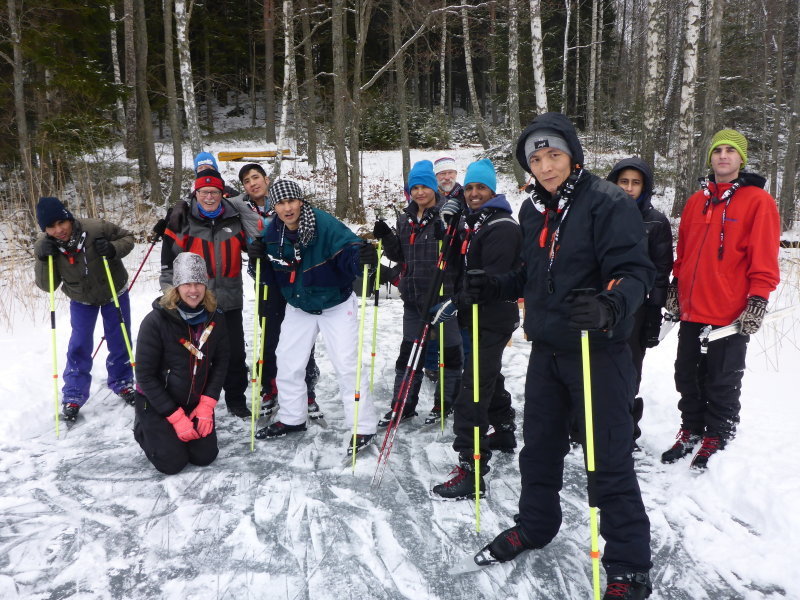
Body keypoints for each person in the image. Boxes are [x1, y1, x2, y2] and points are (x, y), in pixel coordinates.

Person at [471, 113, 655, 599]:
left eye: (553, 155)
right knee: (540, 448)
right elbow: (529, 277)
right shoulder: (535, 210)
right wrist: (492, 285)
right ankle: (535, 525)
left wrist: (609, 305)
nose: (546, 166)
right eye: (535, 158)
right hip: (549, 349)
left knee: (608, 457)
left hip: (599, 351)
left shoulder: (608, 202)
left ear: (573, 155)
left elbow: (636, 273)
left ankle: (629, 566)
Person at [661, 129, 780, 469]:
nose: (723, 156)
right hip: (693, 309)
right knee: (686, 375)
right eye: (718, 150)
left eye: (731, 151)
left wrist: (757, 299)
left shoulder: (759, 202)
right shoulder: (696, 201)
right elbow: (684, 252)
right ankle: (691, 428)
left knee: (722, 379)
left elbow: (764, 258)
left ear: (741, 159)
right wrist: (676, 284)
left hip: (730, 314)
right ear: (710, 157)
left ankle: (718, 433)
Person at [249, 179, 379, 454]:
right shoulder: (274, 234)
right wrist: (257, 259)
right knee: (287, 361)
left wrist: (361, 257)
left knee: (347, 365)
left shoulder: (324, 224)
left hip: (335, 303)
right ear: (274, 207)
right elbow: (270, 275)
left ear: (301, 201)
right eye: (281, 203)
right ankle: (293, 417)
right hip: (300, 305)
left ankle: (363, 426)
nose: (287, 208)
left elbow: (348, 251)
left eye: (291, 201)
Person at [429, 158, 522, 500]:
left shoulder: (502, 227)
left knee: (473, 390)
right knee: (488, 376)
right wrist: (448, 229)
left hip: (491, 317)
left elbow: (490, 283)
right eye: (468, 188)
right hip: (478, 317)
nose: (473, 193)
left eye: (480, 187)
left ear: (492, 190)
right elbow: (459, 266)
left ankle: (471, 468)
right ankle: (505, 429)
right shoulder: (474, 223)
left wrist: (457, 302)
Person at [372, 160, 464, 428]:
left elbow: (461, 253)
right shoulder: (405, 219)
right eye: (415, 188)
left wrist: (449, 234)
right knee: (409, 355)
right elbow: (400, 256)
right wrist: (387, 238)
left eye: (424, 186)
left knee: (449, 355)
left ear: (434, 187)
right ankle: (403, 407)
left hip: (443, 299)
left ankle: (444, 405)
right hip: (413, 300)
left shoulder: (449, 214)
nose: (420, 192)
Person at [33, 196, 136, 421]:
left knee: (119, 338)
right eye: (51, 226)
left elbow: (128, 237)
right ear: (45, 229)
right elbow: (47, 286)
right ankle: (74, 394)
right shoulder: (46, 246)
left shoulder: (96, 228)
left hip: (113, 291)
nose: (59, 230)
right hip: (81, 300)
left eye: (62, 222)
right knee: (79, 344)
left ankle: (123, 382)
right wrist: (42, 259)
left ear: (69, 218)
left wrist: (112, 248)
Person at [160, 170, 251, 419]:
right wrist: (169, 294)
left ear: (223, 194)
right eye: (203, 192)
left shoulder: (235, 218)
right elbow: (168, 261)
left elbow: (253, 241)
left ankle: (236, 399)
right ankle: (192, 401)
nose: (209, 197)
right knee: (195, 355)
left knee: (234, 353)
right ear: (196, 193)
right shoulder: (183, 220)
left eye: (214, 192)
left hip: (230, 299)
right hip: (196, 301)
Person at [234, 163, 320, 419]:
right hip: (265, 278)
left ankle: (308, 392)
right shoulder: (239, 205)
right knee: (270, 338)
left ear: (266, 178)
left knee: (303, 339)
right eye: (247, 180)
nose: (253, 183)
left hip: (294, 277)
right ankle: (270, 389)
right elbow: (211, 200)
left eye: (256, 177)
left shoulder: (286, 201)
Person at [133, 252, 228, 474]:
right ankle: (144, 427)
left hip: (194, 400)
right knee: (172, 463)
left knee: (205, 456)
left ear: (205, 285)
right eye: (186, 284)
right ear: (176, 287)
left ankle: (179, 430)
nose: (193, 290)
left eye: (198, 283)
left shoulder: (216, 318)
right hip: (158, 403)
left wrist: (207, 404)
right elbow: (145, 376)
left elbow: (222, 362)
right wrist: (175, 418)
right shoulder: (155, 321)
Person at [607, 158, 673, 447]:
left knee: (629, 370)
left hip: (637, 308)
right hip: (603, 304)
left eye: (636, 183)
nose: (629, 188)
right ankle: (584, 423)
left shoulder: (656, 222)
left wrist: (654, 313)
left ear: (644, 187)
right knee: (597, 366)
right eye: (624, 182)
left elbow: (661, 271)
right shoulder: (601, 214)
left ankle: (625, 428)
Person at [425, 155, 467, 381]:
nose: (447, 177)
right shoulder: (430, 195)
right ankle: (431, 364)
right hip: (433, 265)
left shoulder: (465, 195)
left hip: (457, 268)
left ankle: (460, 363)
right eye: (442, 174)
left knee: (456, 321)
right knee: (432, 319)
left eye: (450, 173)